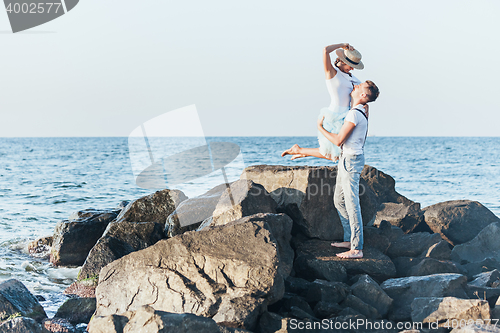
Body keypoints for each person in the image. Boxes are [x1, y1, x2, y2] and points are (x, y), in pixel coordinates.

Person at [319, 80, 380, 259]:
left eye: (358, 87)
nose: (354, 86)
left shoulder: (355, 114)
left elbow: (338, 140)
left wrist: (320, 128)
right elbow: (357, 84)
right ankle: (349, 239)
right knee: (339, 200)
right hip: (347, 159)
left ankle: (357, 248)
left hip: (351, 160)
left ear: (362, 95)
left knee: (352, 204)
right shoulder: (360, 111)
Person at [281, 43, 364, 161]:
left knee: (339, 154)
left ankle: (302, 151)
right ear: (342, 60)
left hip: (347, 117)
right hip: (333, 117)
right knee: (334, 155)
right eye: (350, 65)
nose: (352, 68)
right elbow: (325, 50)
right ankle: (299, 150)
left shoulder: (354, 78)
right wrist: (343, 45)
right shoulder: (332, 72)